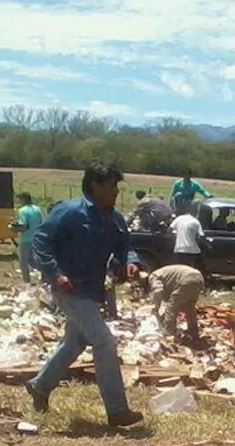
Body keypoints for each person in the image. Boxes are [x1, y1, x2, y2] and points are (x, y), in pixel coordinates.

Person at [25, 162, 143, 427]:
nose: (115, 191)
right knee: (104, 342)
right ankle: (117, 411)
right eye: (111, 186)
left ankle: (39, 386)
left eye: (116, 186)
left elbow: (125, 246)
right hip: (69, 288)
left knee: (74, 343)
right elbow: (41, 242)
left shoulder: (114, 218)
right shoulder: (69, 212)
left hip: (92, 289)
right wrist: (55, 273)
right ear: (95, 185)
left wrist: (130, 262)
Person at [144, 264, 205, 341]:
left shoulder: (153, 276)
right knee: (189, 307)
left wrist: (156, 307)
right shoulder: (162, 273)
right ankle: (194, 333)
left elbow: (158, 291)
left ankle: (169, 333)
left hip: (186, 279)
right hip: (198, 278)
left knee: (172, 308)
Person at [13, 192, 43, 283]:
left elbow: (23, 225)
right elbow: (41, 223)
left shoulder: (22, 210)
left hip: (25, 239)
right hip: (36, 239)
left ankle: (27, 282)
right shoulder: (37, 209)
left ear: (24, 199)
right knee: (33, 261)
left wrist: (14, 227)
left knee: (23, 263)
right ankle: (45, 272)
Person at [170, 201, 206, 275]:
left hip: (178, 249)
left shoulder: (178, 219)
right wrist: (208, 246)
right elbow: (202, 236)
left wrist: (176, 235)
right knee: (199, 266)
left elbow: (169, 230)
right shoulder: (195, 221)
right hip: (192, 250)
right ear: (195, 212)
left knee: (181, 269)